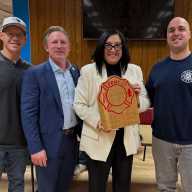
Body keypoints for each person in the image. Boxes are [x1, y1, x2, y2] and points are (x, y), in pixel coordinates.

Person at [74, 30, 150, 192]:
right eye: (108, 45)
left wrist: (136, 98)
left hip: (126, 141)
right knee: (97, 187)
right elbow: (79, 105)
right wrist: (98, 121)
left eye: (117, 45)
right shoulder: (88, 71)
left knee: (122, 187)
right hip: (98, 138)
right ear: (101, 47)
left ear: (123, 48)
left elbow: (145, 103)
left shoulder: (134, 70)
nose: (113, 49)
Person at [21, 26, 81, 192]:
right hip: (46, 146)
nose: (59, 46)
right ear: (46, 47)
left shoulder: (75, 72)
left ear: (69, 46)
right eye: (54, 42)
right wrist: (35, 148)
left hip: (71, 143)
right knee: (47, 189)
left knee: (64, 187)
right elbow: (28, 115)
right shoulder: (34, 73)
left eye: (63, 42)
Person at [146, 17, 192, 192]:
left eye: (181, 29)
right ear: (166, 36)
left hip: (190, 142)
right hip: (162, 140)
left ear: (189, 34)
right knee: (165, 188)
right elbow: (146, 100)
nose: (176, 33)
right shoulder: (157, 68)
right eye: (171, 30)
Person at [0, 16, 29, 192]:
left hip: (19, 146)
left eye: (19, 34)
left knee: (17, 187)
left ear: (25, 40)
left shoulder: (31, 71)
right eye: (10, 33)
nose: (15, 38)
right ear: (1, 36)